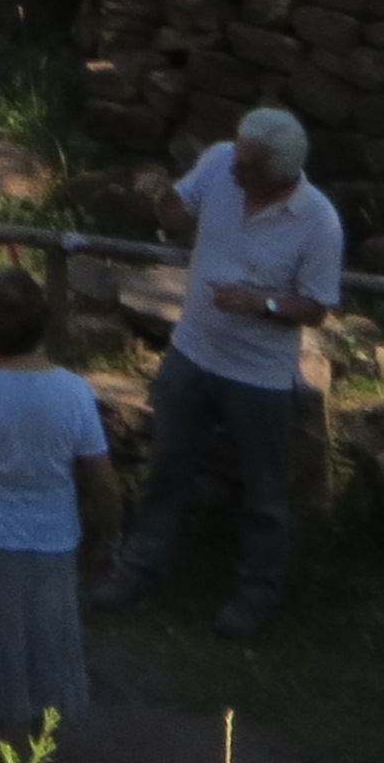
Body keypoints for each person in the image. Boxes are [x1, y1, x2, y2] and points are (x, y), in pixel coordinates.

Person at [92, 103, 343, 635]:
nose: (233, 169)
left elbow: (316, 307)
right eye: (236, 156)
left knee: (265, 493)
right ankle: (139, 569)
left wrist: (263, 303)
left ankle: (255, 594)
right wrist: (164, 198)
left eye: (247, 166)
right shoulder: (220, 162)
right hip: (192, 352)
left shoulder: (318, 222)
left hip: (260, 376)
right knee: (166, 466)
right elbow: (177, 215)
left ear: (279, 174)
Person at [0, 266, 111, 752]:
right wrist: (109, 535)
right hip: (53, 542)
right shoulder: (74, 390)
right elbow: (101, 477)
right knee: (45, 654)